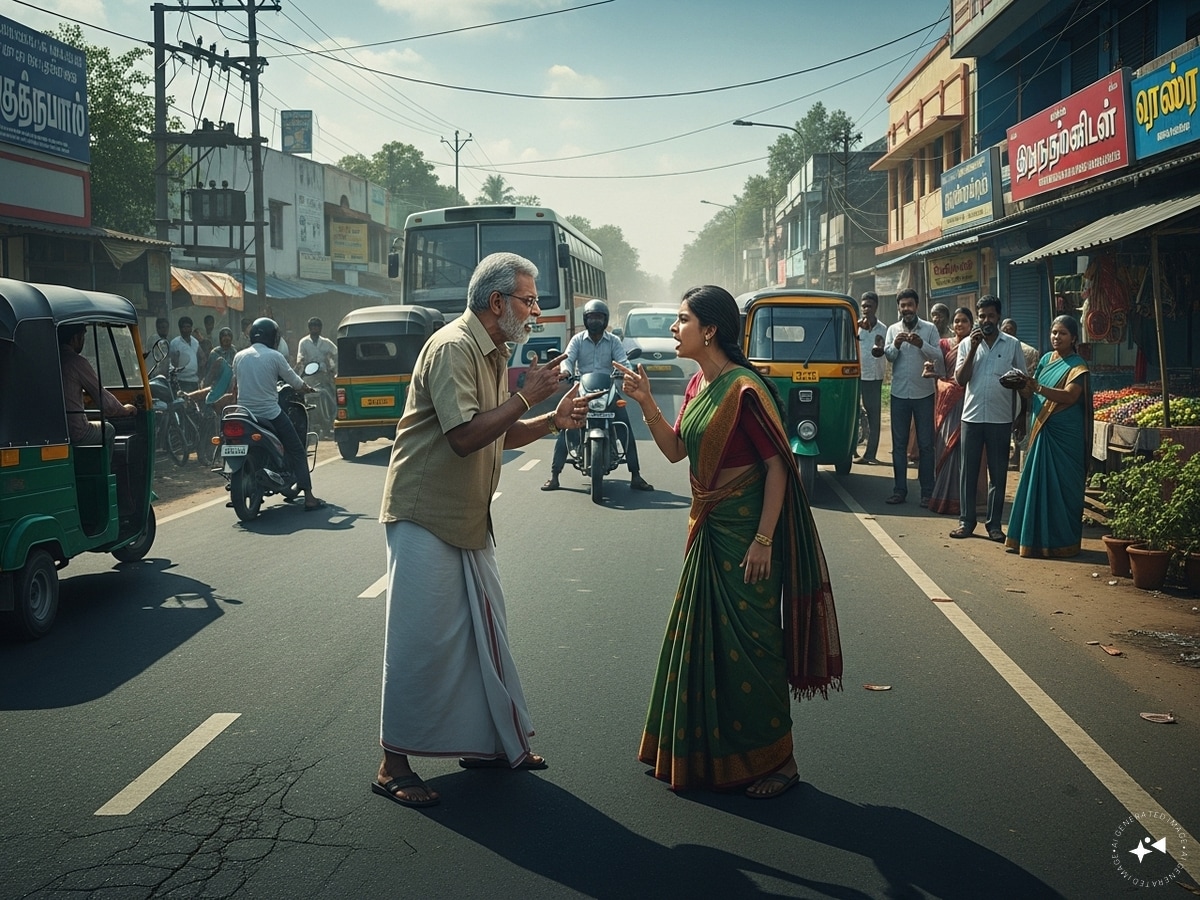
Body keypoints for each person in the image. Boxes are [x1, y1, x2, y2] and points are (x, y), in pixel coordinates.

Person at [374, 252, 594, 809]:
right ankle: (391, 763)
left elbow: (498, 432)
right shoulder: (453, 348)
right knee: (418, 642)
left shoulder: (491, 350)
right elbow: (465, 437)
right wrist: (530, 396)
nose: (537, 312)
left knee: (479, 633)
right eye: (529, 300)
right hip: (426, 512)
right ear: (497, 302)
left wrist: (551, 420)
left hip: (466, 516)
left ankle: (489, 741)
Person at [618, 284, 841, 799]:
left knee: (755, 650)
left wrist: (764, 539)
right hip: (708, 532)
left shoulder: (745, 389)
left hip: (748, 540)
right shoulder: (698, 386)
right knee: (703, 645)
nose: (674, 329)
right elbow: (675, 452)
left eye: (681, 320)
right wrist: (647, 401)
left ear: (710, 329)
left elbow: (778, 469)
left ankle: (780, 761)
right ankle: (705, 756)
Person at [541, 298, 653, 492]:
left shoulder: (613, 341)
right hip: (582, 390)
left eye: (598, 317)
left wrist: (627, 371)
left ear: (605, 320)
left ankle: (636, 475)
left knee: (625, 426)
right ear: (585, 320)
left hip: (608, 389)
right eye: (591, 317)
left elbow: (623, 361)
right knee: (565, 427)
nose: (594, 321)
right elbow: (568, 359)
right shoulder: (577, 340)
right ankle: (554, 476)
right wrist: (566, 372)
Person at [1005, 316, 1092, 558]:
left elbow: (1070, 397)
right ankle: (1031, 540)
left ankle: (1061, 543)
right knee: (1036, 483)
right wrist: (1020, 386)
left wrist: (1037, 387)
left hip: (1065, 436)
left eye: (1062, 333)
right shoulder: (1045, 360)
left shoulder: (1078, 367)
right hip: (1041, 429)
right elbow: (1033, 394)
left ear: (1074, 338)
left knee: (1062, 489)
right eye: (1054, 332)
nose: (1056, 337)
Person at [950, 295, 1028, 542]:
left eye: (990, 316)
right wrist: (973, 347)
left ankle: (994, 525)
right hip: (971, 417)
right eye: (982, 316)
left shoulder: (1012, 344)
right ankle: (966, 521)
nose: (986, 320)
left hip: (1001, 418)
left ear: (998, 317)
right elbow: (961, 380)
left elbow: (1023, 381)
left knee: (998, 473)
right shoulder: (966, 345)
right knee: (968, 473)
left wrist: (1022, 415)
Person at [229, 317, 325, 511]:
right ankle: (309, 497)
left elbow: (235, 387)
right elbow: (295, 382)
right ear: (273, 337)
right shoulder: (275, 356)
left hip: (244, 414)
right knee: (297, 450)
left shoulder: (239, 356)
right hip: (270, 413)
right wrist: (306, 388)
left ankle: (236, 485)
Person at [884, 289, 943, 506]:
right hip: (899, 393)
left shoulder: (929, 329)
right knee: (899, 446)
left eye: (910, 304)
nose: (906, 309)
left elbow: (938, 355)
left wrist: (921, 345)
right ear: (899, 308)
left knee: (926, 445)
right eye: (903, 305)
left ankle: (927, 492)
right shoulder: (892, 329)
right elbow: (889, 357)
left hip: (923, 394)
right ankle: (899, 490)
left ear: (917, 306)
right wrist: (896, 345)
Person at [926, 307, 985, 516]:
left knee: (964, 450)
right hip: (947, 400)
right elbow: (937, 369)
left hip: (968, 399)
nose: (960, 325)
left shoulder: (978, 345)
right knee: (944, 447)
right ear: (952, 324)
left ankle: (966, 501)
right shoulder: (943, 344)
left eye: (964, 321)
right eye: (957, 321)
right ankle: (943, 497)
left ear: (971, 325)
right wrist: (933, 373)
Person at [59, 323, 137, 445]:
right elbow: (105, 402)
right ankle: (108, 464)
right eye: (83, 336)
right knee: (108, 429)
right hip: (75, 431)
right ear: (75, 338)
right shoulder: (76, 362)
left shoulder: (50, 361)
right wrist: (124, 409)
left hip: (56, 431)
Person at [855, 291, 887, 466]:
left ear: (876, 307)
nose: (866, 309)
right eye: (864, 305)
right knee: (853, 413)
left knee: (874, 415)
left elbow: (882, 348)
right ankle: (851, 449)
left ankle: (870, 454)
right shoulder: (856, 326)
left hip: (873, 377)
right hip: (855, 375)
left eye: (869, 306)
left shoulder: (882, 329)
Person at [169, 316, 200, 393]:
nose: (186, 329)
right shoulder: (175, 343)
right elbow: (172, 363)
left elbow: (201, 358)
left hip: (194, 380)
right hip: (181, 380)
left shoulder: (195, 342)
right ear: (180, 329)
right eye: (184, 327)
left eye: (188, 327)